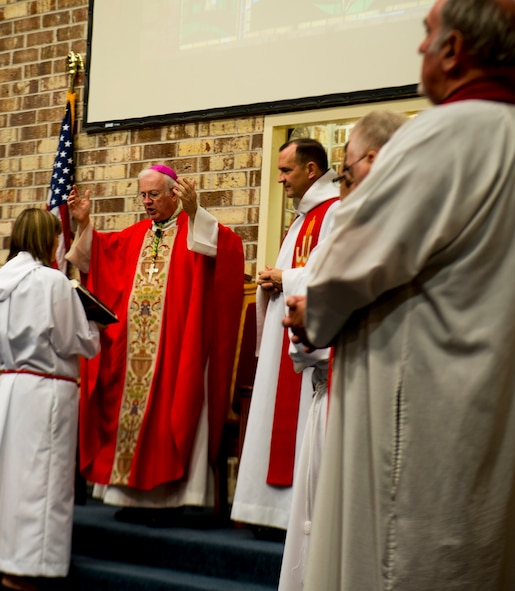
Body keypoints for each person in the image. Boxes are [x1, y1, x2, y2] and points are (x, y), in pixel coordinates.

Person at [283, 0, 515, 588]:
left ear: (456, 50)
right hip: (494, 410)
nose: (418, 48)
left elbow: (349, 261)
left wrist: (315, 310)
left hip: (425, 417)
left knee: (405, 559)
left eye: (426, 33)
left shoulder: (445, 135)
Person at [66, 164, 244, 517]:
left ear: (174, 193)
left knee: (171, 411)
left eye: (154, 195)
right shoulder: (135, 235)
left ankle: (169, 501)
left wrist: (196, 213)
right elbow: (97, 253)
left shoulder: (193, 228)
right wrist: (84, 224)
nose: (147, 202)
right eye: (143, 195)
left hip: (176, 350)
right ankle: (129, 497)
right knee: (127, 412)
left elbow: (228, 249)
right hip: (132, 352)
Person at [278, 110, 408, 591]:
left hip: (352, 394)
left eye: (348, 172)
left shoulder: (368, 220)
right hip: (360, 391)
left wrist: (306, 317)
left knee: (334, 527)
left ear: (372, 161)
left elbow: (325, 308)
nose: (345, 184)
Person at [0, 209, 100, 591]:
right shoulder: (52, 283)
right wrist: (94, 323)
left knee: (6, 478)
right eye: (55, 237)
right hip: (47, 390)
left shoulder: (0, 281)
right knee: (41, 481)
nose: (58, 243)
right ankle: (26, 571)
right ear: (45, 239)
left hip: (13, 386)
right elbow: (76, 341)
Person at [230, 139, 339, 537]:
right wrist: (272, 280)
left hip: (309, 339)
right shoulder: (303, 215)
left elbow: (331, 272)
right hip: (287, 330)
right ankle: (268, 512)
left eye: (286, 170)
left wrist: (284, 277)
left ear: (311, 170)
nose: (279, 179)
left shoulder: (334, 211)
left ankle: (288, 515)